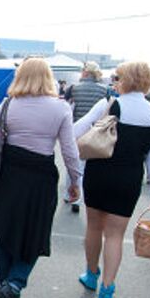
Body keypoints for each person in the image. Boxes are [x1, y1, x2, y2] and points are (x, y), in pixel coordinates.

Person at [0, 58, 82, 298]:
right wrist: (75, 181)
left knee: (5, 229)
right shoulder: (61, 109)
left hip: (9, 174)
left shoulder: (8, 104)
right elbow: (69, 150)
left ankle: (6, 283)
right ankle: (15, 283)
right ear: (48, 78)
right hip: (41, 176)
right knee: (35, 232)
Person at [74, 61, 150, 298]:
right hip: (129, 179)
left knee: (94, 228)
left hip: (99, 173)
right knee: (115, 235)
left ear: (123, 79)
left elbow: (77, 130)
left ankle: (91, 274)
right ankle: (108, 286)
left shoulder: (110, 103)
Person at [64, 61, 108, 214]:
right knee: (87, 166)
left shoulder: (74, 88)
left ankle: (68, 193)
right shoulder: (104, 90)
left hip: (75, 129)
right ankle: (80, 198)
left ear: (86, 73)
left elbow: (66, 107)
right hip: (96, 131)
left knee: (72, 162)